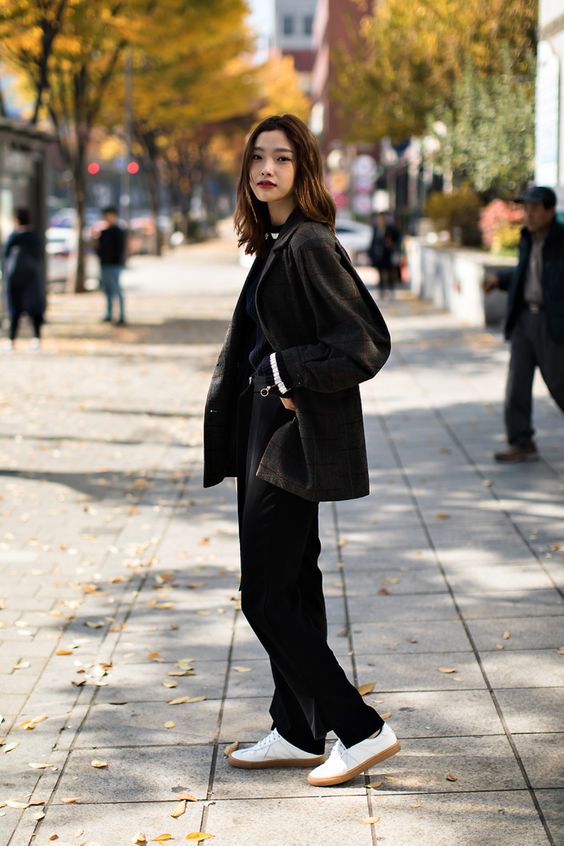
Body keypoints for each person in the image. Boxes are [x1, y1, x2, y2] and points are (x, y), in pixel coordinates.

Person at [203, 114, 399, 786]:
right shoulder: (277, 241)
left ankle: (360, 728)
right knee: (293, 585)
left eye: (282, 158)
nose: (267, 169)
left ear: (303, 168)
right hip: (262, 436)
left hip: (287, 443)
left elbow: (365, 341)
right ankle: (297, 729)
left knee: (264, 597)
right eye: (258, 157)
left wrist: (288, 373)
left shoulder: (310, 242)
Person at [483, 185, 564, 463]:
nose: (528, 214)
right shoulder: (527, 238)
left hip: (552, 322)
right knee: (517, 382)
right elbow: (524, 274)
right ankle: (521, 441)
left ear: (550, 211)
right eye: (525, 208)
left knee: (559, 383)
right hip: (523, 319)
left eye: (534, 208)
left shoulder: (561, 240)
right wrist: (499, 280)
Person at [3, 208, 45, 351]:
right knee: (34, 307)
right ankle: (36, 338)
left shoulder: (13, 236)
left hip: (14, 277)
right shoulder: (34, 236)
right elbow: (39, 255)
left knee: (14, 309)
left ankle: (11, 340)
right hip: (32, 276)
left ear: (16, 220)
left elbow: (5, 254)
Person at [95, 206, 127, 325]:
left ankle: (121, 315)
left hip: (115, 265)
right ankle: (108, 314)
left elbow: (121, 250)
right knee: (107, 290)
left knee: (117, 290)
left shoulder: (119, 231)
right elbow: (99, 249)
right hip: (104, 264)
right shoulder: (103, 233)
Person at [368, 212, 402, 298]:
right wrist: (370, 253)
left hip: (387, 254)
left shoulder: (390, 229)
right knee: (380, 273)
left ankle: (391, 290)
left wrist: (391, 244)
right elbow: (373, 242)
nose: (379, 220)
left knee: (389, 272)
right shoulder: (376, 229)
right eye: (378, 219)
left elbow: (397, 238)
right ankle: (381, 290)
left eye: (381, 219)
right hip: (378, 254)